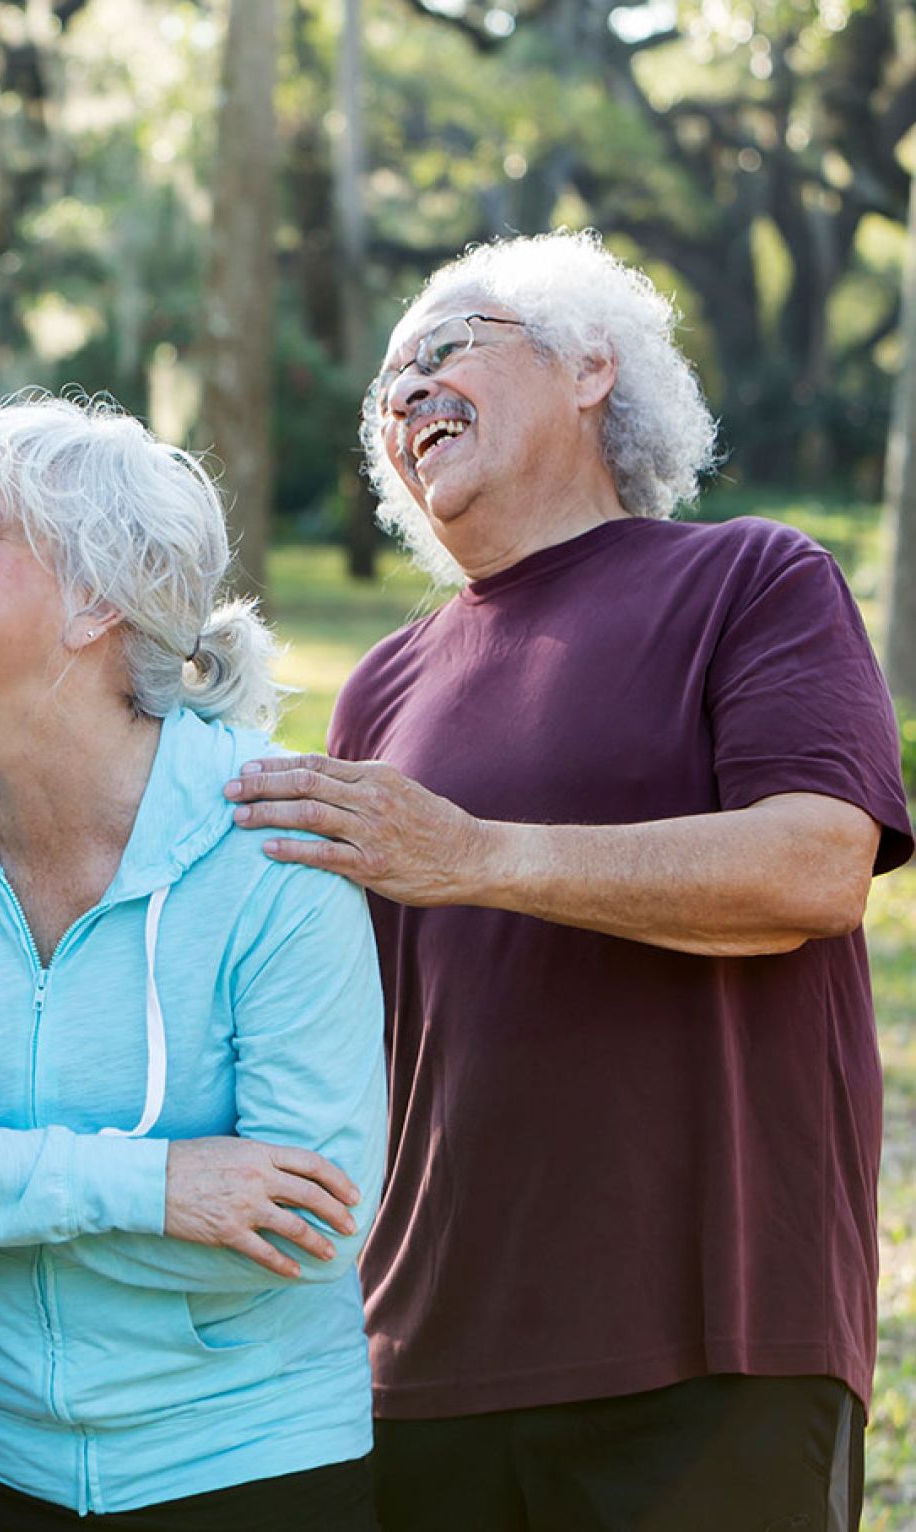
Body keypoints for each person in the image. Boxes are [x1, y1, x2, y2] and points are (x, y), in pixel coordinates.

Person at [224, 230, 909, 1531]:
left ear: (592, 365)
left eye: (445, 348)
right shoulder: (383, 682)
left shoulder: (754, 579)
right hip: (415, 1365)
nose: (407, 393)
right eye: (387, 387)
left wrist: (480, 855)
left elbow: (818, 866)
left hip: (707, 1352)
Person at [0, 395, 388, 1531]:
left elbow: (305, 1225)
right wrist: (159, 1187)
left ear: (99, 599)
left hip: (251, 1454)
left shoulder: (271, 840)